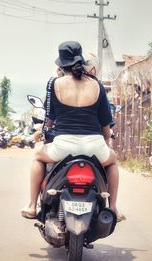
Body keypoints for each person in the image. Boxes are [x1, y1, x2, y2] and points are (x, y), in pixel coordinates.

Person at [21, 41, 125, 221]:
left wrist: (43, 132)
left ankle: (31, 206)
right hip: (95, 148)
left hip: (63, 147)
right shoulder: (97, 85)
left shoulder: (54, 84)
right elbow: (106, 127)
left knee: (38, 155)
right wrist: (106, 144)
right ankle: (114, 207)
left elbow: (50, 121)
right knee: (113, 160)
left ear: (61, 64)